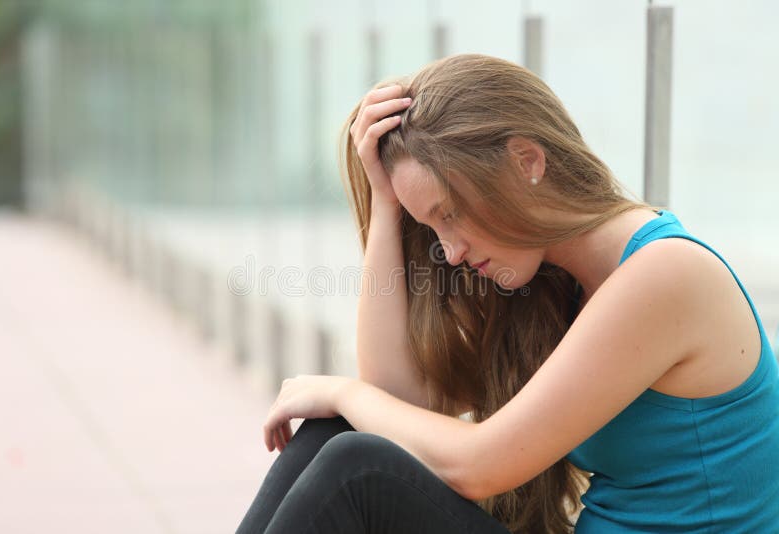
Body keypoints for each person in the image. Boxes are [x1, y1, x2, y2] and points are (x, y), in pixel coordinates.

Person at [235, 54, 779, 533]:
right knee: (338, 436)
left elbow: (481, 466)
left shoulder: (667, 274)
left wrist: (342, 392)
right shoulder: (558, 285)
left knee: (357, 466)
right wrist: (385, 204)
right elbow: (395, 398)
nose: (446, 251)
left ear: (527, 162)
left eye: (448, 215)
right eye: (431, 227)